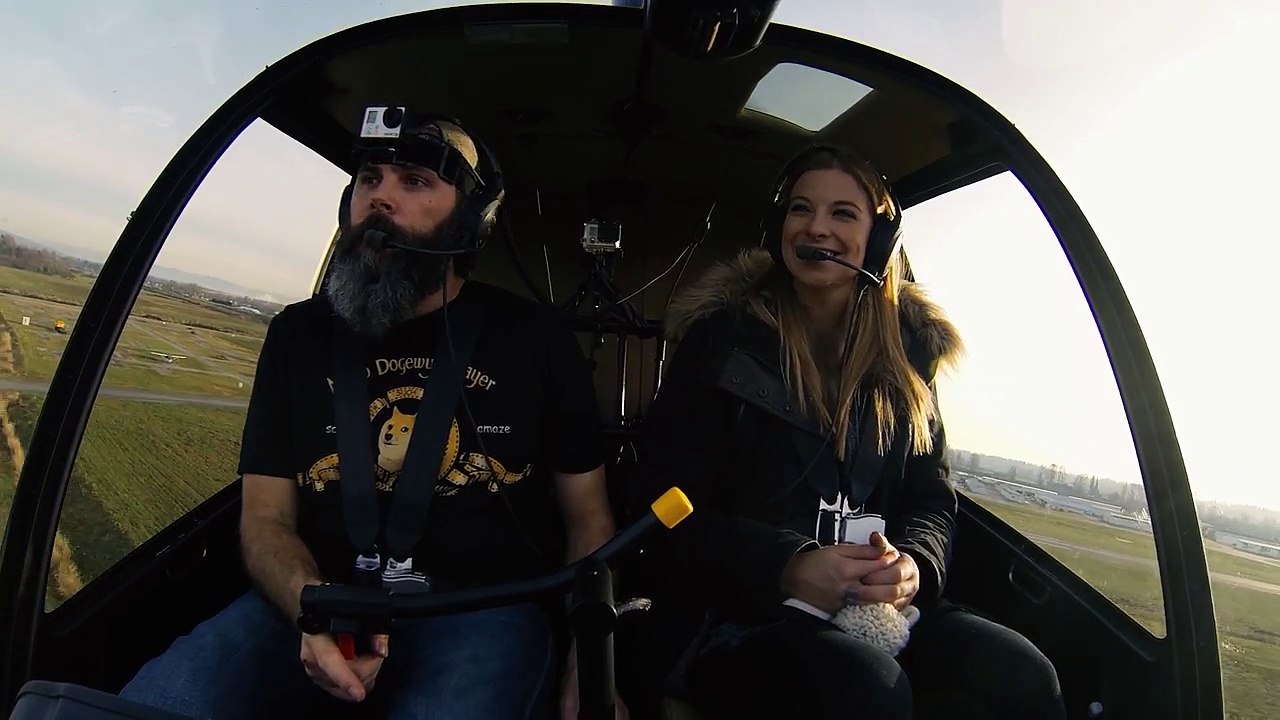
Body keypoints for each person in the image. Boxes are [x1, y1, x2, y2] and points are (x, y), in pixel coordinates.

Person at [119, 108, 626, 720]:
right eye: (369, 178)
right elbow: (265, 518)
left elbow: (588, 519)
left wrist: (588, 668)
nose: (380, 197)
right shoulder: (295, 335)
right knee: (165, 700)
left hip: (480, 611)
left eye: (413, 182)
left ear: (469, 221)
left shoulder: (537, 340)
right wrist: (311, 604)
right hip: (314, 598)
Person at [627, 143, 1068, 719]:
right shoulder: (721, 343)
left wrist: (913, 566)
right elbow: (656, 502)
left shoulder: (909, 358)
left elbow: (931, 499)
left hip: (875, 611)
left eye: (843, 213)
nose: (817, 228)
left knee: (1021, 672)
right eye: (800, 210)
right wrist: (786, 564)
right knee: (865, 688)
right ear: (777, 227)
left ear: (879, 241)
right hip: (736, 614)